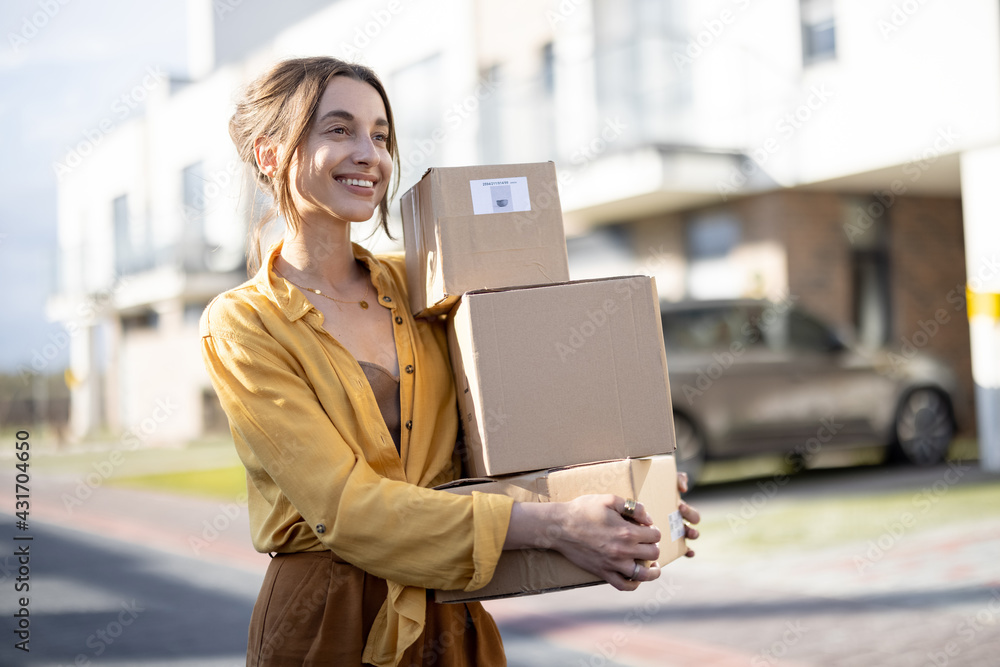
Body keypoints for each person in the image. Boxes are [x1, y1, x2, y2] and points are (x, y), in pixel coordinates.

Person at [200, 56, 701, 667]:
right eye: (338, 130)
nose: (370, 154)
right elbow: (346, 510)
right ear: (271, 155)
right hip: (325, 621)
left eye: (381, 136)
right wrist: (556, 526)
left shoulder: (423, 289)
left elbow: (492, 443)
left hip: (448, 613)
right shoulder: (244, 323)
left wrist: (618, 492)